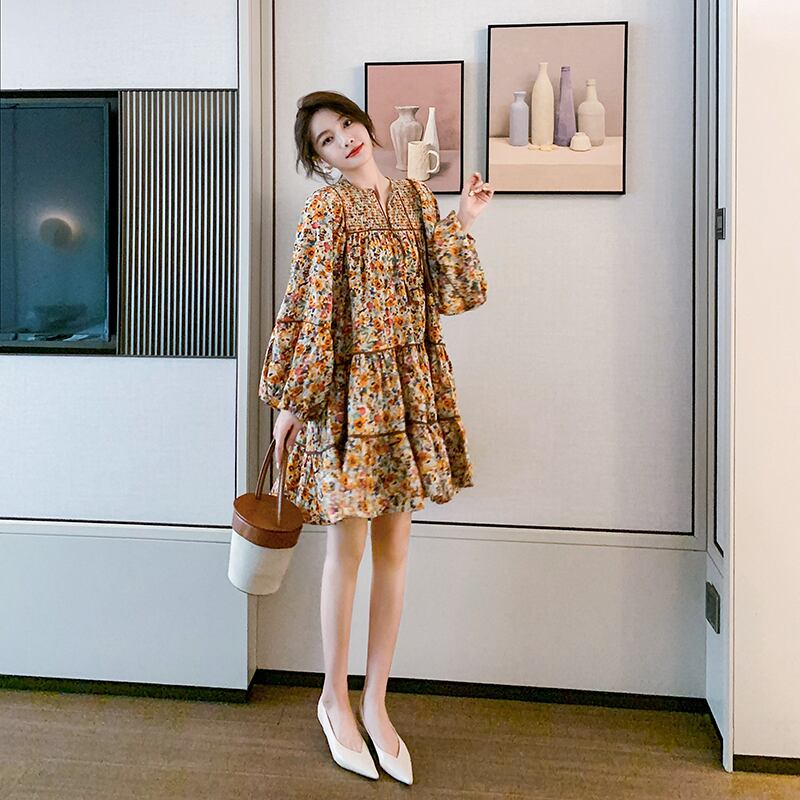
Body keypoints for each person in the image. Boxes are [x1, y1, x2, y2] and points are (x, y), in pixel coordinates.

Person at [258, 90, 494, 783]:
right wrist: (291, 401)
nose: (345, 141)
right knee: (348, 548)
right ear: (321, 159)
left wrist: (464, 220)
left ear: (364, 123)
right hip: (349, 392)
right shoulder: (326, 209)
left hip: (409, 384)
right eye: (326, 141)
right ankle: (333, 698)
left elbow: (453, 294)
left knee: (396, 550)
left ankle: (376, 703)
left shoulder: (417, 199)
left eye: (346, 125)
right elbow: (306, 304)